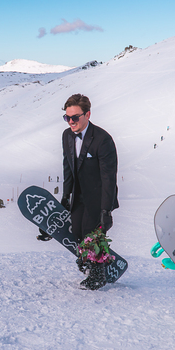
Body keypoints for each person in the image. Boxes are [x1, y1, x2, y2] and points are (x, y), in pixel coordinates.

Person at [61, 94, 119, 290]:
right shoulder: (67, 136)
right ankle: (89, 264)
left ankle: (97, 275)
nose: (71, 122)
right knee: (77, 231)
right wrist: (65, 196)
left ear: (87, 115)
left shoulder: (103, 140)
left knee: (90, 233)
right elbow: (67, 167)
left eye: (75, 117)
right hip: (79, 194)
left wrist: (106, 211)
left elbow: (108, 178)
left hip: (99, 195)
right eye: (67, 117)